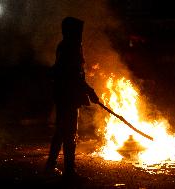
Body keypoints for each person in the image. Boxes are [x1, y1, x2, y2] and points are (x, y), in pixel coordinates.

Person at [45, 17, 99, 178]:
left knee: (61, 131)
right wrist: (90, 91)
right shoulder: (71, 47)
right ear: (71, 31)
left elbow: (71, 74)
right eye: (78, 30)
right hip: (68, 96)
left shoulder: (66, 45)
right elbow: (74, 76)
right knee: (69, 133)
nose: (80, 33)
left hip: (64, 95)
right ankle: (69, 171)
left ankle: (51, 166)